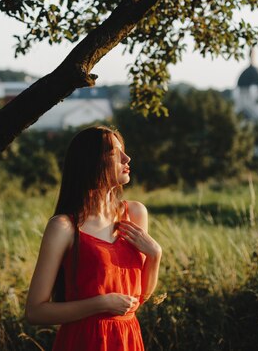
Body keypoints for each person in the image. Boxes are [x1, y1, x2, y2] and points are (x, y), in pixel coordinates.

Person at [25, 125, 162, 351]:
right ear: (92, 163)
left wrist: (155, 255)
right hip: (84, 341)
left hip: (127, 338)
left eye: (123, 151)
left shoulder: (136, 214)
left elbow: (140, 298)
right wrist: (101, 303)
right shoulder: (64, 227)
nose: (127, 158)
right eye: (114, 154)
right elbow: (35, 311)